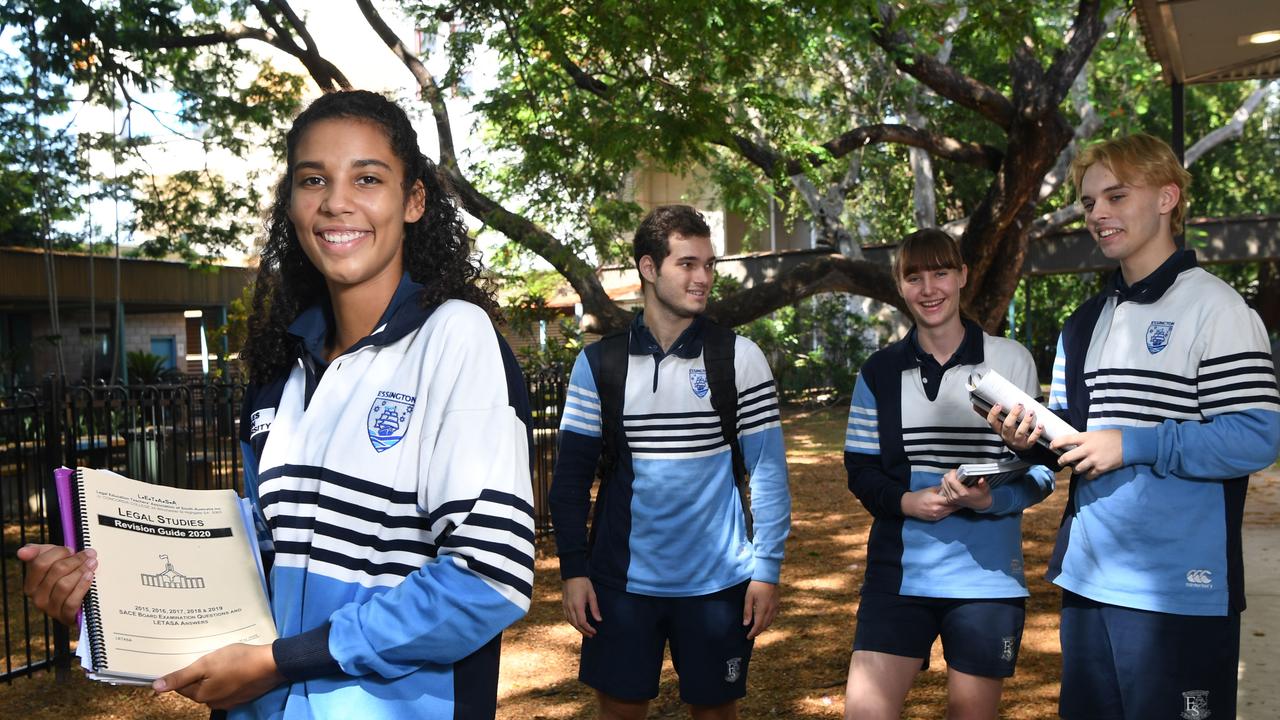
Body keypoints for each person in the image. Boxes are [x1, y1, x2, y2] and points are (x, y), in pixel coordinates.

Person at [18, 89, 536, 719]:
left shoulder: (455, 337)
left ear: (415, 200)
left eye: (367, 178)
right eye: (312, 179)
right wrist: (102, 592)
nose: (336, 201)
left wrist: (280, 661)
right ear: (291, 203)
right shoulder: (278, 372)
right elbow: (253, 570)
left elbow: (488, 580)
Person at [988, 132, 1280, 720]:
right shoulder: (1085, 322)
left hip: (1181, 589)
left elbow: (1256, 435)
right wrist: (1033, 440)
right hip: (1089, 580)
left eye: (1116, 196)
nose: (1098, 214)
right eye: (1090, 202)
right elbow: (1075, 434)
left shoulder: (1219, 310)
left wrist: (1133, 444)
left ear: (1168, 197)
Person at [548, 205, 791, 720]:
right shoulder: (599, 364)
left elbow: (768, 475)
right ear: (649, 268)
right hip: (620, 583)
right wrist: (573, 569)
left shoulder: (739, 357)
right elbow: (569, 480)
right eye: (687, 264)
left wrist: (766, 570)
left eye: (708, 264)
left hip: (719, 584)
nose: (702, 277)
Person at [842, 228, 1055, 720]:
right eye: (914, 276)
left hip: (987, 581)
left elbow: (1043, 473)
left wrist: (987, 501)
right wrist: (905, 502)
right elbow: (860, 470)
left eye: (940, 272)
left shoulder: (1009, 360)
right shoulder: (878, 372)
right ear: (900, 285)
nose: (929, 288)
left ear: (962, 276)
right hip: (898, 576)